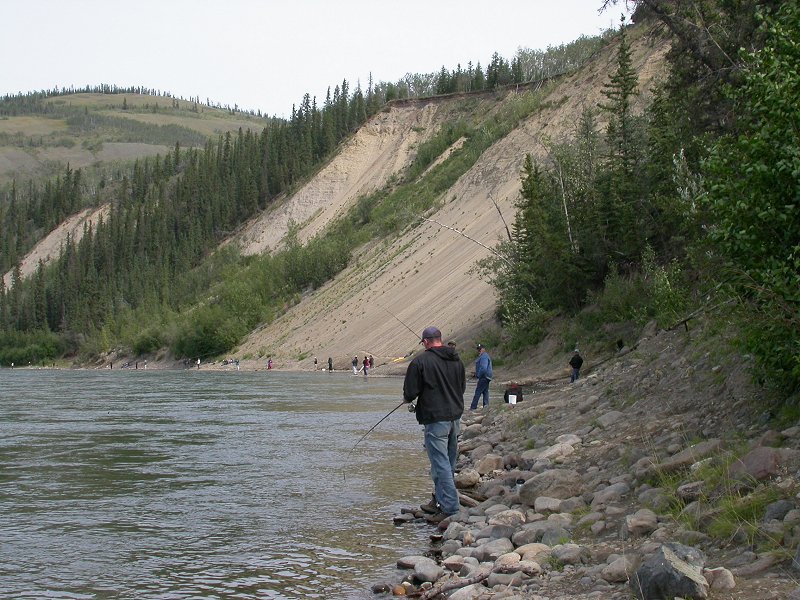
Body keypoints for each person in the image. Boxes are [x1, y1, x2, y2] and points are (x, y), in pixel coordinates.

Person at [403, 326, 466, 523]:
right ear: (440, 339)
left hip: (435, 419)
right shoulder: (457, 360)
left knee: (440, 465)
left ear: (426, 342)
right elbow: (462, 387)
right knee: (448, 461)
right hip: (455, 417)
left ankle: (450, 508)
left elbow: (410, 392)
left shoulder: (420, 362)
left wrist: (409, 399)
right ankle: (439, 500)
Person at [470, 343, 493, 410]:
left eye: (480, 349)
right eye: (478, 349)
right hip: (487, 377)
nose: (479, 350)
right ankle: (486, 406)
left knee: (478, 392)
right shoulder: (484, 356)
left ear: (483, 349)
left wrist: (478, 375)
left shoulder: (484, 356)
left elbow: (483, 368)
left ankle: (473, 408)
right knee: (485, 391)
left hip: (484, 377)